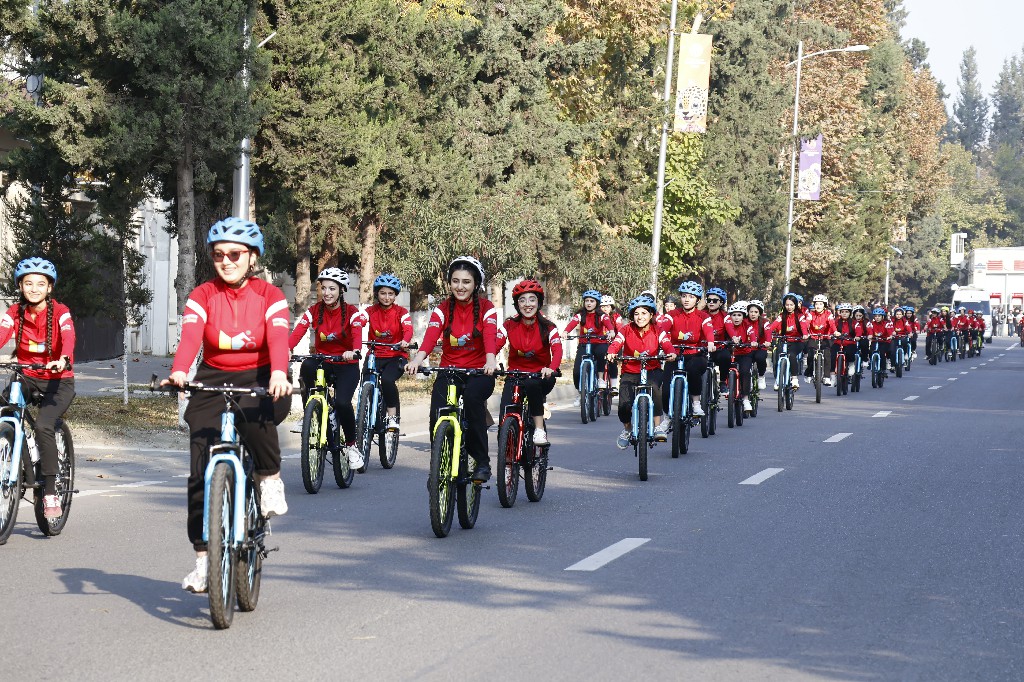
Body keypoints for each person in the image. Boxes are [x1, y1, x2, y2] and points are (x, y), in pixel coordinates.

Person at [167, 217, 292, 594]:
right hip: (212, 377)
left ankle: (269, 477)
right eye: (219, 254)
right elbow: (191, 337)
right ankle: (203, 562)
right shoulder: (202, 295)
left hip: (261, 376)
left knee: (256, 418)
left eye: (235, 254)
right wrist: (179, 371)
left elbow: (278, 339)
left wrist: (279, 373)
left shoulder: (270, 296)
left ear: (252, 258)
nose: (226, 261)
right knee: (198, 475)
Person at [406, 256, 497, 482]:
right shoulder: (442, 309)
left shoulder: (487, 308)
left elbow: (489, 336)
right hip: (450, 370)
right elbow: (430, 337)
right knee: (436, 413)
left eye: (466, 282)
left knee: (473, 401)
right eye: (455, 281)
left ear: (476, 284)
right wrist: (417, 360)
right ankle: (438, 465)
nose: (460, 286)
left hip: (479, 371)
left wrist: (490, 361)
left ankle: (482, 462)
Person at [0, 257, 75, 519]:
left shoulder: (61, 311)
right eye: (28, 283)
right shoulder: (14, 312)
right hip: (27, 377)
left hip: (58, 380)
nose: (34, 289)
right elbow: (2, 333)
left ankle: (51, 491)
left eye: (40, 284)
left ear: (49, 287)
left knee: (44, 426)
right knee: (4, 409)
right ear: (20, 286)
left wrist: (63, 358)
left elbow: (68, 336)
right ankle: (15, 447)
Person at [289, 268, 367, 469]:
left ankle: (351, 446)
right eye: (323, 288)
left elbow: (357, 333)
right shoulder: (314, 310)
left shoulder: (352, 313)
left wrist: (355, 351)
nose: (327, 293)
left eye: (332, 288)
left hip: (346, 365)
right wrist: (286, 349)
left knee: (342, 403)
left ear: (341, 290)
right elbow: (298, 331)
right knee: (307, 365)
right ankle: (309, 412)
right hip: (323, 362)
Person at [495, 279, 561, 445]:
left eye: (532, 299)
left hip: (541, 376)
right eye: (522, 300)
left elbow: (557, 350)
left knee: (532, 384)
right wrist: (488, 361)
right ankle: (507, 456)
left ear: (539, 302)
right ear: (517, 304)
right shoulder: (509, 324)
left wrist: (551, 368)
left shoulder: (548, 326)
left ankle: (539, 429)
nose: (527, 304)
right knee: (504, 419)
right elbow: (495, 344)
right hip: (515, 375)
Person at [607, 295, 677, 449]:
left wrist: (671, 352)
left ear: (651, 315)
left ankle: (657, 427)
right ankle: (627, 430)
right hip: (630, 371)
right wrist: (611, 352)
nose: (640, 317)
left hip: (652, 369)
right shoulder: (626, 329)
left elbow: (666, 344)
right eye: (636, 314)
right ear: (632, 316)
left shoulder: (658, 330)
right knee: (624, 406)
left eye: (644, 313)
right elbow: (616, 342)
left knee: (656, 390)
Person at [363, 273, 413, 432]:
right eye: (383, 293)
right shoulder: (370, 311)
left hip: (395, 356)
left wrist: (405, 340)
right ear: (377, 293)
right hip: (374, 355)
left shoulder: (401, 312)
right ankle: (366, 415)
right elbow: (358, 321)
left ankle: (392, 416)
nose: (386, 297)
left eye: (390, 293)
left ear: (395, 295)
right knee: (366, 383)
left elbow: (408, 328)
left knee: (386, 380)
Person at [665, 281, 712, 417]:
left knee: (693, 369)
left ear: (697, 300)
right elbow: (662, 331)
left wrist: (710, 342)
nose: (686, 300)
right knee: (666, 388)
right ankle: (668, 417)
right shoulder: (672, 314)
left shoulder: (703, 316)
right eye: (684, 296)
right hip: (675, 354)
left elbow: (708, 330)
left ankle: (696, 403)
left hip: (696, 354)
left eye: (691, 297)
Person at [564, 290, 615, 404]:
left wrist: (611, 331)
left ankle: (600, 378)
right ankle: (580, 393)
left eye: (592, 301)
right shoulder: (580, 315)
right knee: (577, 371)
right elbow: (572, 323)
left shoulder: (602, 316)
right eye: (586, 301)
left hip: (599, 343)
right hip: (584, 343)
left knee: (602, 352)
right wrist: (565, 332)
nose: (589, 303)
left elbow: (608, 324)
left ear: (596, 303)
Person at [769, 293, 808, 391]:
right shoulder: (781, 316)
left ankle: (794, 379)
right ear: (784, 305)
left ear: (795, 305)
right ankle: (778, 380)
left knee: (791, 355)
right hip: (784, 341)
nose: (789, 307)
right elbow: (772, 326)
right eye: (787, 305)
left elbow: (803, 326)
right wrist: (767, 334)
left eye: (791, 305)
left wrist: (805, 334)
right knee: (778, 355)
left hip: (797, 341)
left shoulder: (800, 316)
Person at [723, 301, 755, 413]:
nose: (736, 318)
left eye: (739, 315)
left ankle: (746, 399)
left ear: (743, 316)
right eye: (734, 315)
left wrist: (753, 341)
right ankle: (726, 387)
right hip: (730, 353)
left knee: (745, 372)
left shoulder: (747, 325)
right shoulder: (727, 324)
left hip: (744, 353)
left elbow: (752, 333)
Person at [804, 294, 836, 385]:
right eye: (816, 304)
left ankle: (826, 377)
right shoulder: (811, 314)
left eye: (821, 304)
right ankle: (809, 374)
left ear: (824, 305)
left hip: (825, 337)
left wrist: (835, 331)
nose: (818, 306)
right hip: (813, 337)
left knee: (827, 356)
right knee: (810, 355)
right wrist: (805, 333)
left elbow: (832, 323)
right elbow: (806, 323)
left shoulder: (828, 314)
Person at [703, 287, 730, 390]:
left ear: (721, 303)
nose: (711, 302)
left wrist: (734, 338)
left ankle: (722, 381)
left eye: (714, 300)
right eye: (709, 300)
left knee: (726, 357)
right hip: (702, 349)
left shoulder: (725, 316)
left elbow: (731, 330)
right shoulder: (701, 314)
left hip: (719, 349)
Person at [745, 300, 772, 391]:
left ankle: (761, 376)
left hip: (761, 347)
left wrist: (768, 341)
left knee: (760, 357)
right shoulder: (744, 321)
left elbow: (768, 332)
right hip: (748, 348)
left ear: (759, 313)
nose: (753, 314)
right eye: (751, 312)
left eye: (756, 312)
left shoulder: (765, 322)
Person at [600, 295, 624, 394]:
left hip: (613, 343)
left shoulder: (616, 317)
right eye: (603, 306)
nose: (605, 309)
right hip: (600, 343)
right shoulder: (597, 316)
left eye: (607, 306)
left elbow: (620, 330)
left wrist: (616, 339)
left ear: (612, 307)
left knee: (612, 362)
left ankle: (614, 385)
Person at [866, 307, 893, 375]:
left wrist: (890, 336)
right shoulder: (871, 323)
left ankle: (883, 369)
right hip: (875, 340)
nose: (877, 318)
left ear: (882, 317)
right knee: (871, 351)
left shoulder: (887, 324)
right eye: (875, 316)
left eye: (879, 316)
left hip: (884, 341)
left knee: (882, 353)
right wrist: (870, 335)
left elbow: (890, 332)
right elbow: (870, 330)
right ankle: (871, 362)